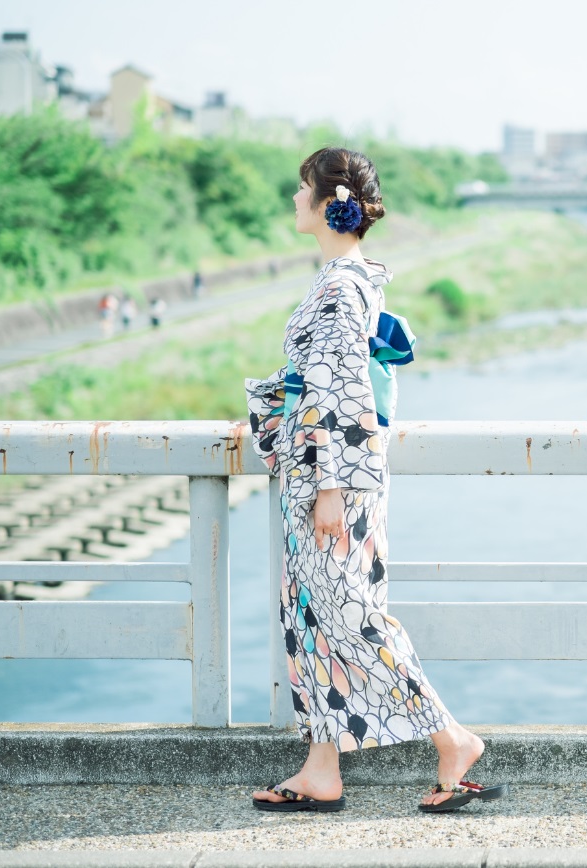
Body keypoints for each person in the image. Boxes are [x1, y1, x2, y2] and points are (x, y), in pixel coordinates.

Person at [244, 146, 506, 815]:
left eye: (302, 187)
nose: (293, 198)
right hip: (326, 475)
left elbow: (340, 390)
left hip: (330, 481)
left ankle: (452, 739)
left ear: (329, 203)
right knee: (310, 618)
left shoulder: (338, 287)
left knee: (353, 617)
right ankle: (321, 768)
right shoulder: (351, 279)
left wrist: (329, 486)